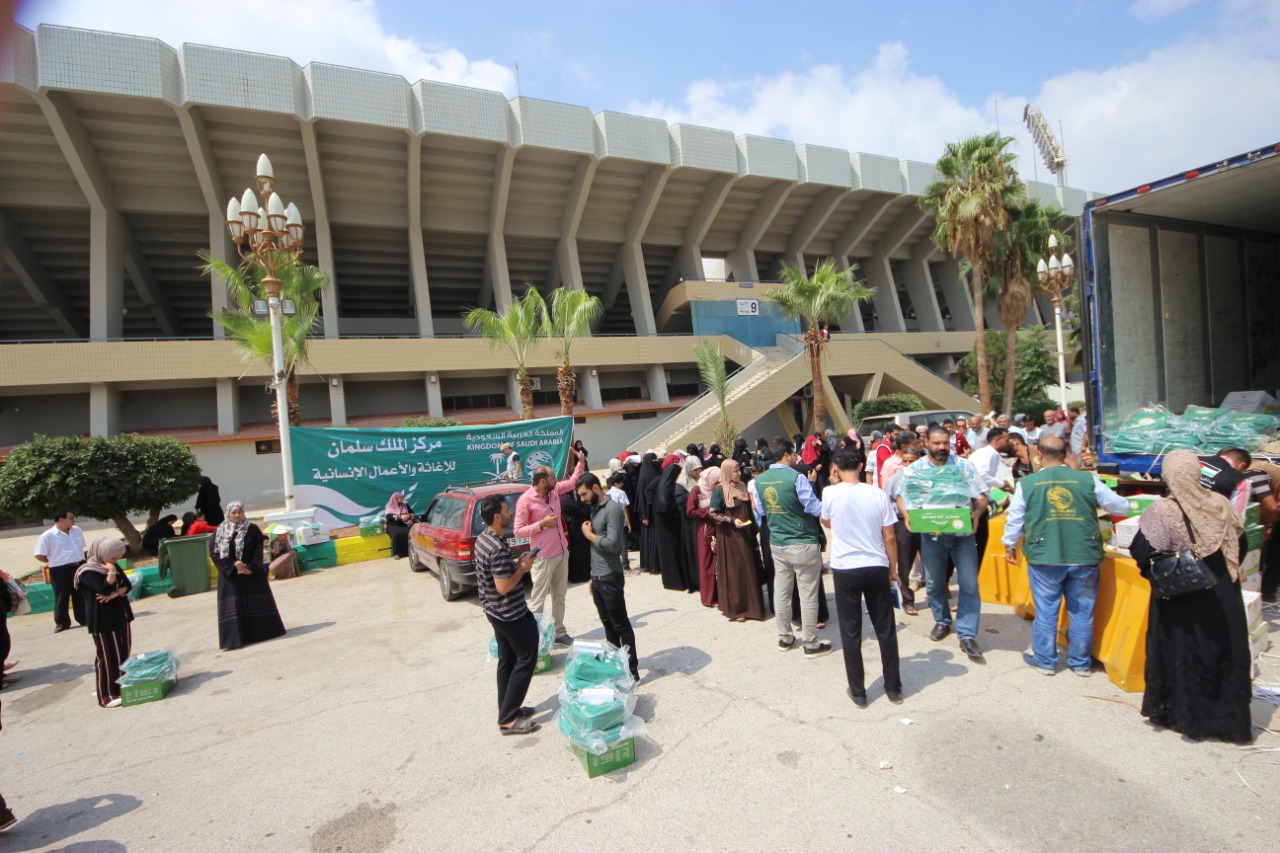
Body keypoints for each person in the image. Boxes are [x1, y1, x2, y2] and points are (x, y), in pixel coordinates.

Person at [1128, 450, 1252, 743]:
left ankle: (1183, 716)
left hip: (1181, 594)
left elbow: (1141, 551)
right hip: (1222, 592)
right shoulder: (1221, 504)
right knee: (1221, 651)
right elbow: (1241, 544)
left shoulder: (1164, 510)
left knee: (1183, 650)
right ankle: (1223, 719)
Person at [1002, 435, 1129, 677]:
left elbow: (1015, 519)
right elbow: (1120, 507)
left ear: (1039, 454)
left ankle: (1045, 660)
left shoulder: (1028, 484)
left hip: (1045, 555)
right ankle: (1080, 663)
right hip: (1083, 554)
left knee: (1047, 609)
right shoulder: (1087, 479)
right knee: (1082, 612)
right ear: (1066, 454)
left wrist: (1009, 545)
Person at [894, 426, 990, 661]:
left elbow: (982, 496)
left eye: (946, 443)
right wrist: (907, 515)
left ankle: (967, 633)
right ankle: (942, 620)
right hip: (931, 535)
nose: (942, 448)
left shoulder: (963, 466)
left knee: (969, 584)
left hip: (962, 536)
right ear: (926, 443)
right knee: (935, 583)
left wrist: (976, 515)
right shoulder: (915, 469)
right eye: (937, 443)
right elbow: (900, 497)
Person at [821, 449, 902, 707]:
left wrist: (833, 485)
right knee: (885, 629)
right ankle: (893, 688)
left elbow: (827, 521)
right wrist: (893, 568)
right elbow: (889, 536)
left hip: (846, 568)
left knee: (851, 630)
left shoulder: (830, 493)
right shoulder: (877, 494)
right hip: (875, 565)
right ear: (860, 465)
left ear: (835, 467)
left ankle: (858, 691)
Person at [754, 438, 832, 658]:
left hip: (778, 542)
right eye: (794, 454)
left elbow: (761, 511)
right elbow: (813, 507)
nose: (797, 457)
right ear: (786, 455)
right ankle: (810, 643)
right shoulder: (796, 477)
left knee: (781, 591)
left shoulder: (760, 480)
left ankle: (785, 637)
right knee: (808, 594)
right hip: (802, 540)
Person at [473, 494, 540, 735]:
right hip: (510, 614)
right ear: (497, 516)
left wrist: (514, 562)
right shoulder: (497, 546)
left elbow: (493, 572)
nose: (511, 513)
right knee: (526, 658)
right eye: (507, 510)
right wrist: (522, 569)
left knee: (508, 660)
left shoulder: (485, 540)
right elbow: (502, 587)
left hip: (495, 612)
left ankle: (507, 709)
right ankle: (509, 720)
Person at [514, 447, 586, 647]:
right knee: (538, 600)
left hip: (562, 552)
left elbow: (572, 483)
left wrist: (580, 462)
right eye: (553, 478)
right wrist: (541, 525)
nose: (556, 481)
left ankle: (559, 632)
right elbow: (518, 531)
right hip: (543, 558)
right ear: (542, 481)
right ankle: (534, 639)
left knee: (559, 596)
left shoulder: (554, 490)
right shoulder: (525, 501)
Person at [576, 473, 639, 681]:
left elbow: (614, 546)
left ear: (595, 488)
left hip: (611, 577)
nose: (582, 498)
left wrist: (590, 535)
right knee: (608, 625)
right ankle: (615, 668)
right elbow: (597, 550)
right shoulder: (595, 508)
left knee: (620, 624)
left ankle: (632, 670)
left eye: (584, 493)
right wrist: (593, 577)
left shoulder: (612, 509)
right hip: (598, 577)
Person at [210, 502, 286, 651]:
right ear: (228, 514)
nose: (237, 515)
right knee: (235, 606)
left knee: (256, 602)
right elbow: (214, 552)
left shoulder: (252, 529)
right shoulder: (219, 531)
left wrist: (251, 567)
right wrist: (233, 564)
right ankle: (236, 639)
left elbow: (260, 548)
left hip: (252, 574)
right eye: (234, 513)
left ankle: (264, 633)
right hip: (231, 576)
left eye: (240, 512)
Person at [74, 538, 133, 708]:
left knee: (122, 651)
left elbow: (126, 586)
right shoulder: (87, 572)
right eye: (114, 558)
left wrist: (115, 594)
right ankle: (106, 694)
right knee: (108, 656)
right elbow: (104, 588)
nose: (115, 562)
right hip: (103, 619)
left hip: (120, 613)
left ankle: (121, 685)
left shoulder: (107, 564)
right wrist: (112, 572)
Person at [708, 459, 767, 622]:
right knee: (736, 571)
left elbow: (748, 508)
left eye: (739, 470)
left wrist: (754, 528)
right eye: (735, 471)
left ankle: (753, 606)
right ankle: (738, 608)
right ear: (727, 472)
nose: (739, 473)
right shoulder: (720, 490)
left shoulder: (741, 486)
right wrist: (732, 521)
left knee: (749, 567)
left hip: (746, 534)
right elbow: (713, 513)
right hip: (730, 537)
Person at [883, 443, 924, 616]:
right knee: (905, 562)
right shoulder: (895, 480)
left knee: (934, 560)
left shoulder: (926, 478)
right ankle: (907, 599)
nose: (908, 465)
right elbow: (886, 503)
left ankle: (941, 592)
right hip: (902, 523)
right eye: (905, 462)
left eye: (912, 462)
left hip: (925, 520)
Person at [33, 509, 86, 634]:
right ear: (61, 520)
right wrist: (54, 560)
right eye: (71, 518)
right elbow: (39, 555)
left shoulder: (76, 530)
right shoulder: (48, 535)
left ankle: (83, 618)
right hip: (60, 569)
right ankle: (62, 622)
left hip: (78, 565)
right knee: (62, 596)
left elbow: (81, 547)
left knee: (80, 593)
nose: (74, 520)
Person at [652, 454, 692, 590]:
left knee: (672, 553)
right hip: (668, 527)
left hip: (666, 526)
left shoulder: (666, 485)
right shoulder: (665, 489)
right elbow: (665, 506)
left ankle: (675, 581)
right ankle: (676, 582)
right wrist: (677, 512)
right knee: (672, 553)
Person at [687, 465, 722, 607]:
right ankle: (709, 597)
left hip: (719, 526)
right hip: (705, 530)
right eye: (715, 481)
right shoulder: (697, 490)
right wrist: (707, 512)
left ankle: (722, 594)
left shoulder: (718, 490)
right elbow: (690, 511)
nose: (717, 484)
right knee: (707, 563)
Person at [674, 457, 702, 589]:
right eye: (695, 470)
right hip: (689, 522)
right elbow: (679, 500)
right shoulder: (681, 483)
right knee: (693, 549)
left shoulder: (702, 479)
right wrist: (694, 496)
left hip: (701, 518)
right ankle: (696, 580)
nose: (698, 472)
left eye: (700, 469)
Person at [634, 452, 662, 574]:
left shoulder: (652, 473)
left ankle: (655, 564)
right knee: (651, 539)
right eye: (654, 460)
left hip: (655, 512)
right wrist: (644, 514)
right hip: (648, 514)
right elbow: (641, 497)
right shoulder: (645, 477)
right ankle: (651, 565)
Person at [606, 472, 634, 573]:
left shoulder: (608, 493)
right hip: (620, 522)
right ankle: (626, 566)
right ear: (617, 483)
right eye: (621, 483)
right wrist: (629, 523)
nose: (622, 485)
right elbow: (624, 508)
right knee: (623, 545)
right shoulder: (621, 493)